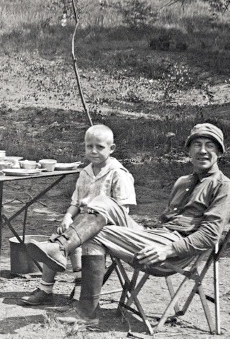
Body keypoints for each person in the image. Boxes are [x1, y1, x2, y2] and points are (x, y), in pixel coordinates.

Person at [24, 122, 230, 327]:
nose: (203, 151)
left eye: (210, 145)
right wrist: (147, 231)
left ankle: (85, 308)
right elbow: (167, 220)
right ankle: (60, 248)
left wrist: (168, 249)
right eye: (197, 145)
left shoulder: (223, 186)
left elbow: (210, 235)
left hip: (175, 250)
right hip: (157, 235)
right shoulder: (183, 182)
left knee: (94, 233)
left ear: (220, 152)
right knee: (103, 201)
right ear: (189, 150)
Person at [21, 123, 136, 310]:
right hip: (82, 224)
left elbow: (122, 211)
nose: (94, 151)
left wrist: (94, 222)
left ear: (112, 148)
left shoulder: (118, 173)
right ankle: (45, 289)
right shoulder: (85, 172)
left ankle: (81, 290)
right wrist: (68, 217)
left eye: (100, 147)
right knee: (58, 238)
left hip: (109, 226)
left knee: (79, 242)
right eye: (89, 146)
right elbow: (76, 202)